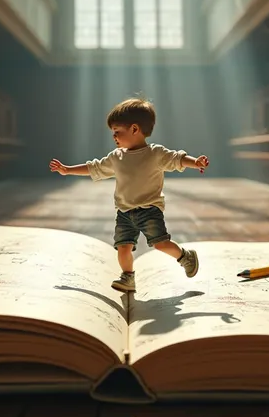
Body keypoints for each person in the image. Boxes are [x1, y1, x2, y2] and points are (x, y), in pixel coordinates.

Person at [49, 97, 209, 292]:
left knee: (160, 244)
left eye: (117, 132)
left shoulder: (155, 154)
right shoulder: (116, 158)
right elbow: (95, 168)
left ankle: (185, 256)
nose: (114, 137)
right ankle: (128, 277)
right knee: (123, 247)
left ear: (135, 129)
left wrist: (196, 162)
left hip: (149, 210)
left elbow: (177, 159)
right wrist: (67, 169)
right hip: (124, 212)